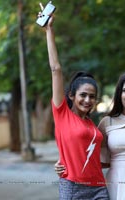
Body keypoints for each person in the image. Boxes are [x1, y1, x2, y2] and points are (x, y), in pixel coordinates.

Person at [56, 72, 125, 200]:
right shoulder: (106, 122)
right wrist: (65, 162)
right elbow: (91, 156)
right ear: (119, 94)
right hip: (117, 181)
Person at [38, 5, 109, 200]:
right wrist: (49, 30)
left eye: (92, 96)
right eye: (83, 95)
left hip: (99, 186)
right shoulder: (62, 114)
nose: (88, 100)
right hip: (73, 187)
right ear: (71, 95)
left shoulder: (91, 123)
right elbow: (56, 69)